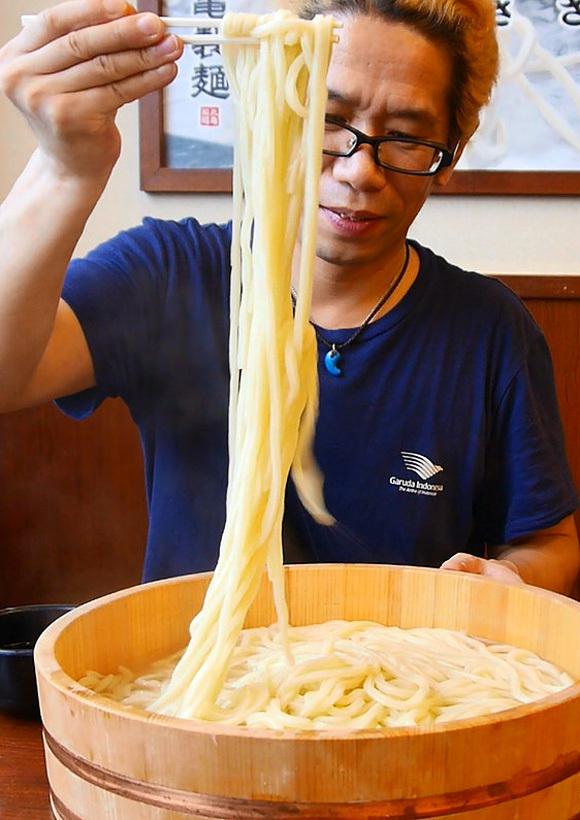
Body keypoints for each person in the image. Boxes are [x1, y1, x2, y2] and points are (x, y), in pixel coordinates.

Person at [0, 0, 578, 593]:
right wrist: (63, 169)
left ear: (449, 157)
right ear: (274, 109)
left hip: (411, 676)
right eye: (328, 117)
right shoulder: (171, 274)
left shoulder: (487, 329)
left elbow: (548, 542)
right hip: (196, 677)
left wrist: (509, 577)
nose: (359, 172)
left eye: (407, 137)